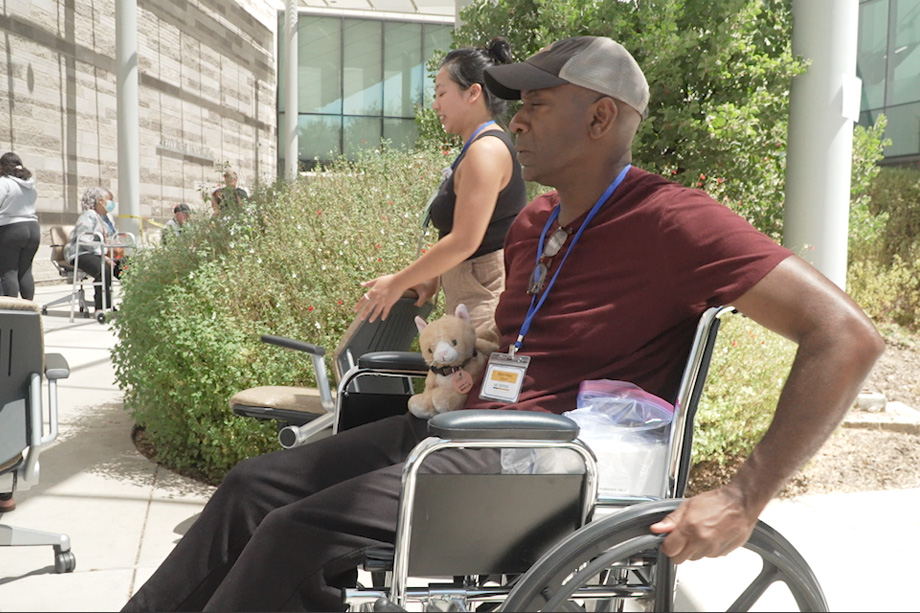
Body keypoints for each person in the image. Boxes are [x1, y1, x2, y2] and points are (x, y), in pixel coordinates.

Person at [122, 36, 884, 612]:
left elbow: (847, 337)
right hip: (477, 431)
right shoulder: (537, 222)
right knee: (254, 487)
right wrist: (473, 369)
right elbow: (529, 349)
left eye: (537, 105)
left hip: (542, 467)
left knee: (297, 534)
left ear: (601, 118)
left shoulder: (677, 221)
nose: (515, 119)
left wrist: (745, 496)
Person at [356, 37, 526, 334]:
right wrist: (431, 276)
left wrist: (397, 283)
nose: (435, 105)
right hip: (472, 293)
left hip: (483, 301)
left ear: (473, 92)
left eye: (441, 93)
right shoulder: (479, 147)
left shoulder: (485, 151)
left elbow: (465, 241)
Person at [64, 187, 123, 318]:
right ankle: (101, 308)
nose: (112, 203)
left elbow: (111, 237)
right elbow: (84, 240)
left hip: (103, 252)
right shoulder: (88, 216)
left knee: (128, 267)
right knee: (104, 268)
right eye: (110, 200)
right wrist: (104, 256)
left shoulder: (108, 217)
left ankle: (132, 303)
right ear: (100, 201)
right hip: (82, 252)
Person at [0, 152, 40, 302]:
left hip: (11, 229)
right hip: (33, 228)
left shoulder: (4, 183)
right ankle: (29, 310)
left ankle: (12, 314)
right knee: (25, 271)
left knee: (9, 271)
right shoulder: (30, 184)